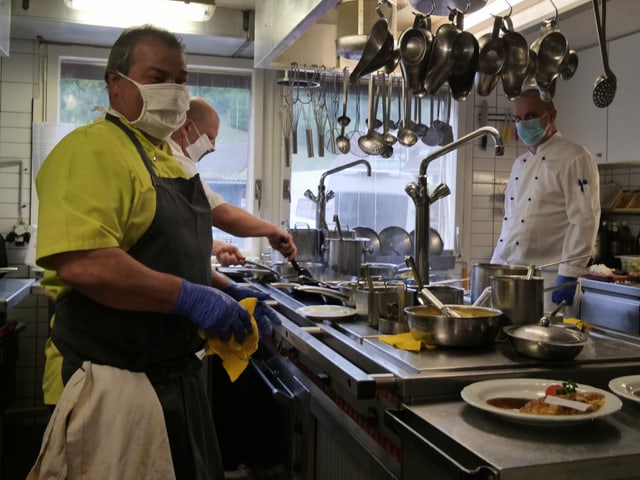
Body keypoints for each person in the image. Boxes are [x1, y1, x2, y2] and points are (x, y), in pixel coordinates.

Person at [30, 25, 277, 480]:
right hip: (111, 381)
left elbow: (171, 256)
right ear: (116, 83)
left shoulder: (165, 158)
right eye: (158, 76)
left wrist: (227, 290)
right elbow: (86, 263)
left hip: (174, 378)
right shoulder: (93, 150)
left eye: (181, 79)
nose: (174, 91)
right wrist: (194, 299)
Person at [490, 88, 601, 315]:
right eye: (518, 119)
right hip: (514, 277)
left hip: (551, 280)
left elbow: (584, 220)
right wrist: (495, 266)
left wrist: (569, 273)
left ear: (551, 116)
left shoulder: (575, 157)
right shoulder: (519, 163)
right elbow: (510, 221)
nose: (523, 124)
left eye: (530, 116)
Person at [169, 96, 297, 266]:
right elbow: (223, 215)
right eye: (209, 137)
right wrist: (272, 231)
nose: (213, 147)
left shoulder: (180, 161)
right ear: (188, 127)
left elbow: (177, 233)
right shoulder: (175, 162)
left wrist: (215, 247)